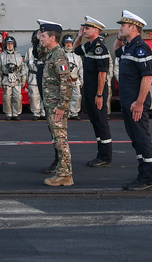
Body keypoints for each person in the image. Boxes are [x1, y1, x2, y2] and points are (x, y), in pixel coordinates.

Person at [113, 10, 152, 192]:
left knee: (142, 138)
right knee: (135, 139)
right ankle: (142, 176)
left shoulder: (140, 47)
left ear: (133, 27)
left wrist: (139, 102)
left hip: (136, 102)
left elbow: (147, 77)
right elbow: (116, 51)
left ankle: (148, 178)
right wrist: (120, 36)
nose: (121, 28)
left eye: (123, 25)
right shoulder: (129, 46)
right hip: (128, 101)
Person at [35, 21, 73, 186]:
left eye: (43, 36)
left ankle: (65, 175)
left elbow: (67, 83)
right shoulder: (51, 54)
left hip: (56, 106)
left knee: (60, 140)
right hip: (51, 105)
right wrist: (38, 40)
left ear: (52, 37)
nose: (41, 39)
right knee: (57, 139)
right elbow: (40, 55)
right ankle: (62, 171)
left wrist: (61, 106)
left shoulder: (59, 55)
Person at [73, 16, 112, 166]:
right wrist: (79, 36)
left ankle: (106, 156)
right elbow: (76, 50)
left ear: (96, 30)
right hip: (89, 89)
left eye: (87, 28)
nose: (85, 30)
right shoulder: (89, 45)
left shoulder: (99, 48)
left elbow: (102, 74)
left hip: (97, 91)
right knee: (95, 121)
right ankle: (100, 154)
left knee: (101, 122)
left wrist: (100, 94)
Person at [0, 36, 24, 120]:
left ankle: (16, 113)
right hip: (6, 78)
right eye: (8, 44)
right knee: (7, 97)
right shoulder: (2, 56)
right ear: (5, 45)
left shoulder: (18, 55)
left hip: (17, 78)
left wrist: (23, 79)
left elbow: (23, 68)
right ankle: (8, 113)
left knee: (17, 96)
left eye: (11, 44)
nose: (10, 45)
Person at [61, 35, 83, 119]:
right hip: (64, 80)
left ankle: (74, 113)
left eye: (70, 42)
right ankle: (66, 113)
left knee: (77, 96)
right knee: (65, 97)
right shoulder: (61, 54)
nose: (68, 44)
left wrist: (81, 80)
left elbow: (81, 69)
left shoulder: (77, 56)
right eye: (66, 42)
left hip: (75, 79)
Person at [26, 29, 45, 120]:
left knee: (44, 95)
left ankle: (44, 112)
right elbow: (25, 65)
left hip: (43, 75)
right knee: (34, 96)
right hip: (33, 75)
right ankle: (36, 113)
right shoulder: (29, 51)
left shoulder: (45, 48)